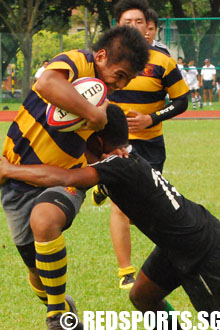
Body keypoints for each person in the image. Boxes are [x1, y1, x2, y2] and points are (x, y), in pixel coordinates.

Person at [1, 104, 220, 330]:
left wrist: (9, 171)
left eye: (81, 140)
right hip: (175, 245)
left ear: (97, 142)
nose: (78, 149)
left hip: (199, 252)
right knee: (142, 296)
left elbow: (65, 178)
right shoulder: (122, 160)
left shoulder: (118, 165)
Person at [1, 26, 149, 330]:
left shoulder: (105, 104)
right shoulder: (77, 62)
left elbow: (107, 146)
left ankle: (57, 317)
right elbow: (46, 82)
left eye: (127, 81)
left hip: (62, 182)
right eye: (119, 75)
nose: (119, 85)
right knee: (36, 271)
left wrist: (111, 152)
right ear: (102, 55)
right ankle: (60, 304)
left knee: (44, 220)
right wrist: (93, 115)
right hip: (15, 181)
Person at [92, 0, 189, 290]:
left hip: (150, 145)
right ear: (117, 26)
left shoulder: (163, 61)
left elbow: (182, 101)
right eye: (127, 22)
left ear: (149, 27)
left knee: (144, 208)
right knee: (119, 208)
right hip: (113, 144)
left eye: (138, 22)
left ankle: (103, 186)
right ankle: (126, 272)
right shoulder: (103, 59)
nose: (133, 27)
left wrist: (152, 118)